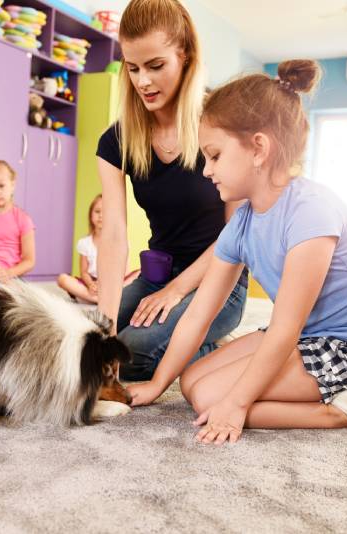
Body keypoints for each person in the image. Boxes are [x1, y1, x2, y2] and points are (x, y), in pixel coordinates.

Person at [128, 59, 347, 443]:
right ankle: (262, 393)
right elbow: (199, 314)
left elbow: (286, 327)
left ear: (258, 149)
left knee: (212, 397)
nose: (205, 170)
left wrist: (236, 404)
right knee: (191, 381)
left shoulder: (311, 212)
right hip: (300, 337)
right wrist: (156, 385)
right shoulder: (241, 223)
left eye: (214, 155)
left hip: (344, 348)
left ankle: (338, 415)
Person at [96, 0, 246, 381]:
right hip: (156, 274)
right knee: (98, 347)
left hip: (220, 280)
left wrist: (177, 290)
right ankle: (177, 339)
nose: (142, 81)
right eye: (133, 68)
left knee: (134, 357)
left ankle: (219, 351)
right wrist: (104, 327)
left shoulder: (225, 122)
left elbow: (238, 235)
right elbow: (113, 236)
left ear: (186, 57)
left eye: (155, 66)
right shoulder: (116, 140)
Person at [57, 195, 138, 303]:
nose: (101, 216)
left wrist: (110, 285)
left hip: (115, 283)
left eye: (106, 212)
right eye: (97, 211)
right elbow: (84, 272)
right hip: (93, 283)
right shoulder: (85, 243)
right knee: (63, 279)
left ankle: (102, 299)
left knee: (140, 273)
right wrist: (91, 284)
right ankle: (102, 300)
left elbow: (125, 271)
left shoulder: (121, 241)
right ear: (91, 215)